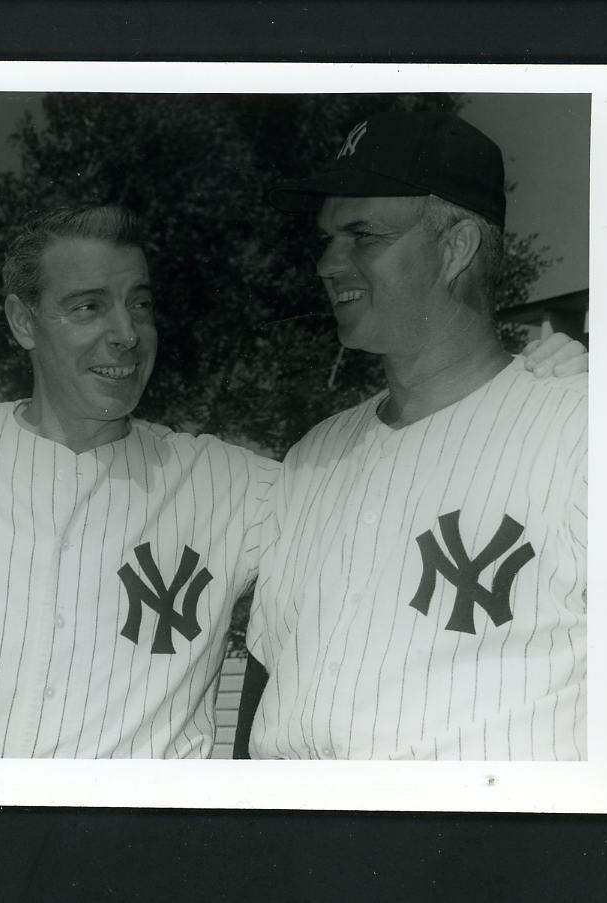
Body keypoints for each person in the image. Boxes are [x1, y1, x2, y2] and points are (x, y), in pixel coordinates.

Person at [0, 202, 586, 759]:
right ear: (18, 322)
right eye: (85, 305)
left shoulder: (245, 485)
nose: (124, 334)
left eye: (138, 303)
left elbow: (399, 471)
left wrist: (545, 364)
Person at [237, 111, 588, 760]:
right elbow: (265, 673)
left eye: (361, 234)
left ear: (454, 248)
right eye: (327, 237)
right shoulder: (312, 455)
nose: (326, 261)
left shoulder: (583, 432)